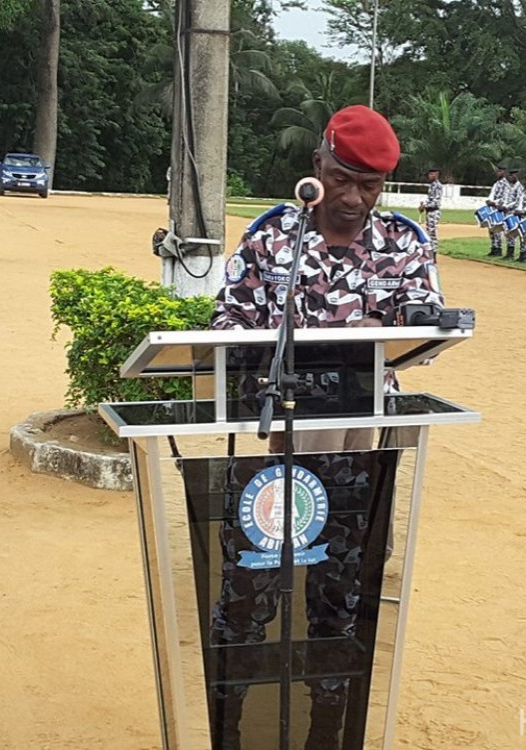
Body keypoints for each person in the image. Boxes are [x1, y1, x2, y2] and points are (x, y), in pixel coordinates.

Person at [209, 104, 442, 750]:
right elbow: (226, 327)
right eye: (343, 179)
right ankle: (229, 731)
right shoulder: (271, 239)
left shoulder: (404, 244)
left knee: (341, 608)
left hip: (358, 458)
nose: (354, 198)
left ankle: (326, 737)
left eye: (369, 186)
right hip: (275, 458)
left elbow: (423, 332)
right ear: (318, 167)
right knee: (246, 605)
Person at [418, 167, 442, 260]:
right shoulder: (431, 185)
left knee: (432, 233)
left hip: (434, 211)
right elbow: (430, 199)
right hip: (429, 212)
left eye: (432, 174)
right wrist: (423, 206)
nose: (430, 176)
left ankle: (434, 255)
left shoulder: (437, 186)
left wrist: (425, 206)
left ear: (436, 175)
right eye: (429, 174)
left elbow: (436, 202)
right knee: (429, 232)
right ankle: (430, 253)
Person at [498, 168, 523, 260]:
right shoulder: (509, 187)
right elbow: (505, 198)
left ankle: (511, 253)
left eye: (513, 175)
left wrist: (507, 207)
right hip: (506, 212)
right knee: (507, 232)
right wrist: (501, 205)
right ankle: (508, 252)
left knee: (512, 232)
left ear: (517, 176)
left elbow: (517, 201)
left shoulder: (519, 187)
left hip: (513, 213)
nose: (511, 177)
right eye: (510, 175)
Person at [485, 165, 509, 257]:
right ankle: (493, 247)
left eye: (500, 171)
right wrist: (489, 200)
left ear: (504, 173)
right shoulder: (496, 183)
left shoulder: (506, 185)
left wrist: (494, 203)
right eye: (498, 171)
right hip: (492, 208)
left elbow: (504, 198)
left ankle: (498, 249)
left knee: (497, 229)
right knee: (491, 229)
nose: (498, 173)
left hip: (499, 209)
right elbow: (492, 194)